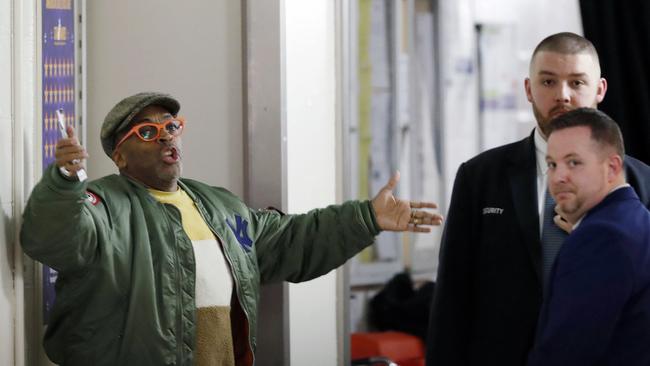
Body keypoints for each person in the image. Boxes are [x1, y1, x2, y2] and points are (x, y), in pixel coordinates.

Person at [20, 92, 443, 366]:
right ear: (120, 156)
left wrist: (367, 217)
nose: (166, 137)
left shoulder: (218, 205)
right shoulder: (102, 205)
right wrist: (62, 181)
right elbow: (52, 236)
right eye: (147, 132)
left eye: (171, 126)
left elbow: (290, 241)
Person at [426, 32, 650, 366]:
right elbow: (452, 297)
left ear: (600, 90)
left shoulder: (641, 181)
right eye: (548, 82)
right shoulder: (480, 176)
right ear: (529, 89)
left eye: (577, 83)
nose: (563, 95)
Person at [528, 108, 650, 365]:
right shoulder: (636, 219)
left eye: (574, 162)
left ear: (612, 167)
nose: (558, 177)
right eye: (552, 164)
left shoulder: (601, 237)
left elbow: (566, 354)